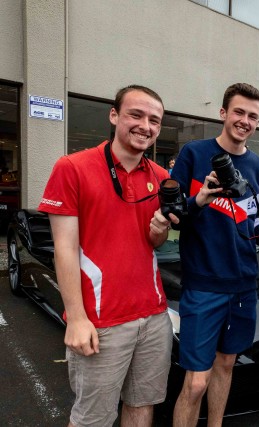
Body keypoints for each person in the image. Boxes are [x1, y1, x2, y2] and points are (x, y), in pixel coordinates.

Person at [38, 85, 176, 427]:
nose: (145, 126)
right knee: (92, 419)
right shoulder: (72, 167)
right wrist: (76, 318)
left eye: (154, 120)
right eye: (136, 115)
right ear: (114, 115)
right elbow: (64, 249)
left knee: (142, 406)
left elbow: (154, 242)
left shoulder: (161, 177)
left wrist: (160, 228)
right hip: (101, 321)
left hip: (154, 315)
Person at [171, 83, 259, 427]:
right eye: (239, 112)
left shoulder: (255, 165)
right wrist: (200, 198)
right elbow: (173, 214)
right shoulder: (194, 154)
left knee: (226, 365)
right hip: (204, 283)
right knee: (196, 382)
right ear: (223, 113)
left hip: (243, 283)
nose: (245, 120)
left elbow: (253, 224)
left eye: (252, 116)